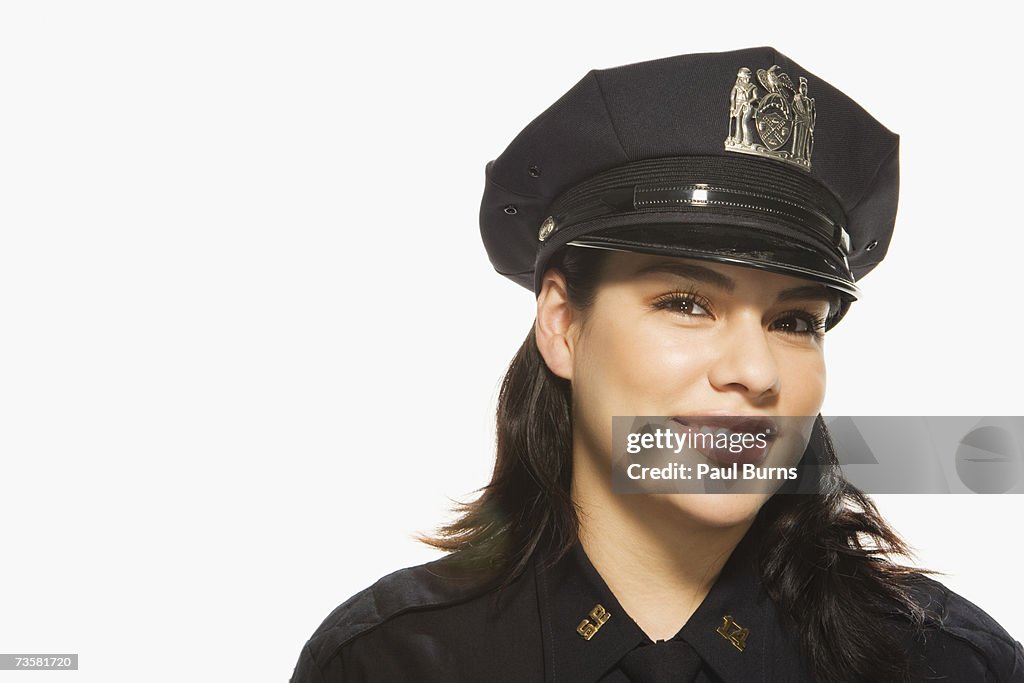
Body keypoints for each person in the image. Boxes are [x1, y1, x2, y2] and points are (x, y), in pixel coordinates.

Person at [290, 47, 1024, 682]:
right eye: (685, 301)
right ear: (562, 323)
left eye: (794, 320)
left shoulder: (949, 664)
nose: (755, 370)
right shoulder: (391, 662)